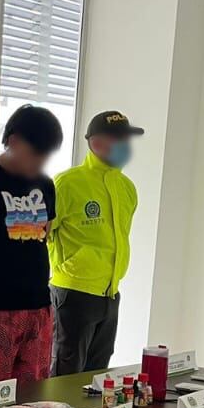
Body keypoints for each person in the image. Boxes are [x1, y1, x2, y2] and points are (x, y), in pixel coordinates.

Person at [0, 104, 63, 387]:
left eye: (47, 156)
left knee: (32, 401)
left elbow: (45, 233)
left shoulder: (45, 184)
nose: (41, 163)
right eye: (36, 153)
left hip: (37, 308)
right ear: (13, 141)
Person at [49, 110, 142, 376]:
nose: (126, 146)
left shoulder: (126, 188)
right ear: (96, 143)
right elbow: (43, 234)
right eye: (119, 138)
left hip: (110, 293)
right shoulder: (67, 183)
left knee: (96, 377)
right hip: (73, 293)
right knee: (65, 374)